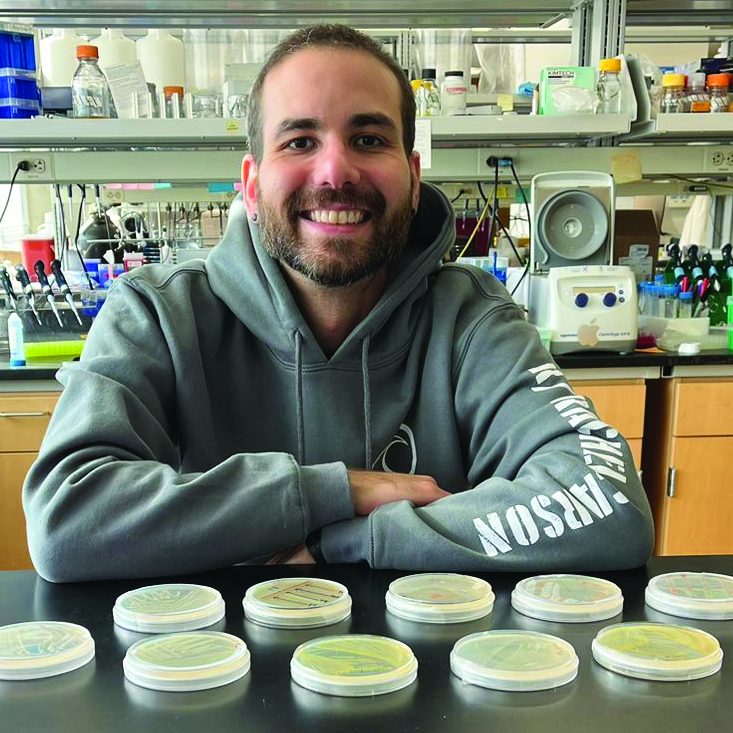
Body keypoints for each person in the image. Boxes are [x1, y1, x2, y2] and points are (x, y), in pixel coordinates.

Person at [23, 25, 654, 582]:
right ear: (250, 182)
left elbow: (608, 500)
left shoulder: (472, 320)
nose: (334, 172)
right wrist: (332, 490)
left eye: (369, 139)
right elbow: (69, 519)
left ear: (412, 174)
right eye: (299, 141)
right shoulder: (157, 315)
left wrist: (343, 541)